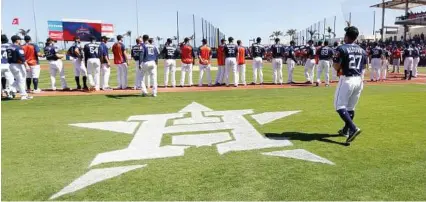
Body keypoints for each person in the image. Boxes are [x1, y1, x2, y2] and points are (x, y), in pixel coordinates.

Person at [333, 26, 365, 144]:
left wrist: (340, 67)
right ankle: (346, 130)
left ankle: (353, 128)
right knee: (350, 107)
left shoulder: (341, 48)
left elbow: (336, 65)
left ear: (346, 36)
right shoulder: (362, 50)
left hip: (347, 79)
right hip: (359, 79)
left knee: (339, 106)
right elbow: (364, 67)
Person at [6, 35, 32, 100]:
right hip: (18, 65)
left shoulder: (9, 47)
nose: (20, 40)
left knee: (19, 80)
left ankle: (9, 89)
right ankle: (23, 95)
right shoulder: (18, 47)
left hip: (11, 65)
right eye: (20, 39)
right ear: (17, 40)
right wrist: (26, 65)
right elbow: (22, 57)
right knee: (21, 80)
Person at [1, 34, 15, 99]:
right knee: (10, 80)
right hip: (8, 64)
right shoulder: (10, 45)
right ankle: (11, 94)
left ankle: (1, 92)